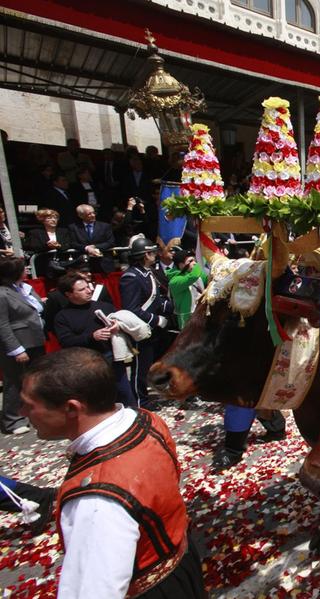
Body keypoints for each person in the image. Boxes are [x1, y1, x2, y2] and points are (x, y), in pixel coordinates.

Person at [19, 348, 206, 597]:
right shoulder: (145, 419)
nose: (22, 413)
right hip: (182, 561)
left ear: (72, 408)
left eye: (29, 405)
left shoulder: (96, 500)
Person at [54, 273, 136, 408]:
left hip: (112, 357)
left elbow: (122, 322)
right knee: (99, 398)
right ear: (69, 294)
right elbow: (66, 341)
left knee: (124, 392)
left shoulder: (104, 306)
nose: (89, 290)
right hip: (85, 363)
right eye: (81, 289)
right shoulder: (62, 317)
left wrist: (118, 326)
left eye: (88, 286)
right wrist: (92, 336)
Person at [120, 238, 173, 411]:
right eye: (152, 252)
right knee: (140, 369)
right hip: (142, 329)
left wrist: (169, 307)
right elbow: (132, 309)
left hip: (155, 329)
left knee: (154, 363)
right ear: (145, 255)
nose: (155, 255)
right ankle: (140, 402)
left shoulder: (147, 272)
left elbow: (156, 299)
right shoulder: (131, 277)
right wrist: (157, 320)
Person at [0, 257, 45, 435]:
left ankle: (35, 412)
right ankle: (12, 419)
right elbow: (2, 324)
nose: (26, 270)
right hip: (18, 344)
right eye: (22, 269)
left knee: (36, 379)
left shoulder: (24, 288)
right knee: (15, 381)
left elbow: (36, 308)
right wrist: (16, 349)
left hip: (35, 339)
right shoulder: (2, 294)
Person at [69, 204, 116, 273]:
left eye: (93, 212)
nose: (93, 215)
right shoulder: (74, 227)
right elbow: (73, 243)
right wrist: (87, 248)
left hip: (103, 264)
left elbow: (111, 242)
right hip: (84, 265)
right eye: (89, 214)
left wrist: (95, 247)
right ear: (80, 216)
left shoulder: (105, 226)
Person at [24, 208, 71, 277]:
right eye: (49, 218)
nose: (53, 220)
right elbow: (32, 246)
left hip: (62, 263)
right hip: (44, 265)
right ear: (43, 220)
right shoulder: (35, 232)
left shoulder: (64, 231)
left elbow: (69, 244)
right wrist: (47, 246)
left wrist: (59, 246)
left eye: (55, 218)